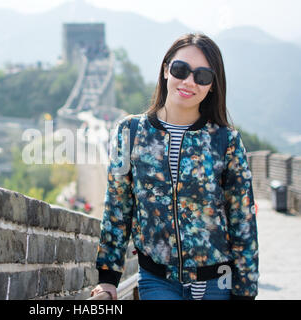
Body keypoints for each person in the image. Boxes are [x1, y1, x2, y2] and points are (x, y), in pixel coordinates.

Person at [90, 33, 259, 300]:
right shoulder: (130, 132)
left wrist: (245, 291)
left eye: (202, 76)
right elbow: (117, 208)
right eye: (181, 70)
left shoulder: (226, 140)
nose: (189, 81)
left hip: (218, 283)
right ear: (166, 69)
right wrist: (108, 278)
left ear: (212, 85)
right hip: (157, 280)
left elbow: (243, 221)